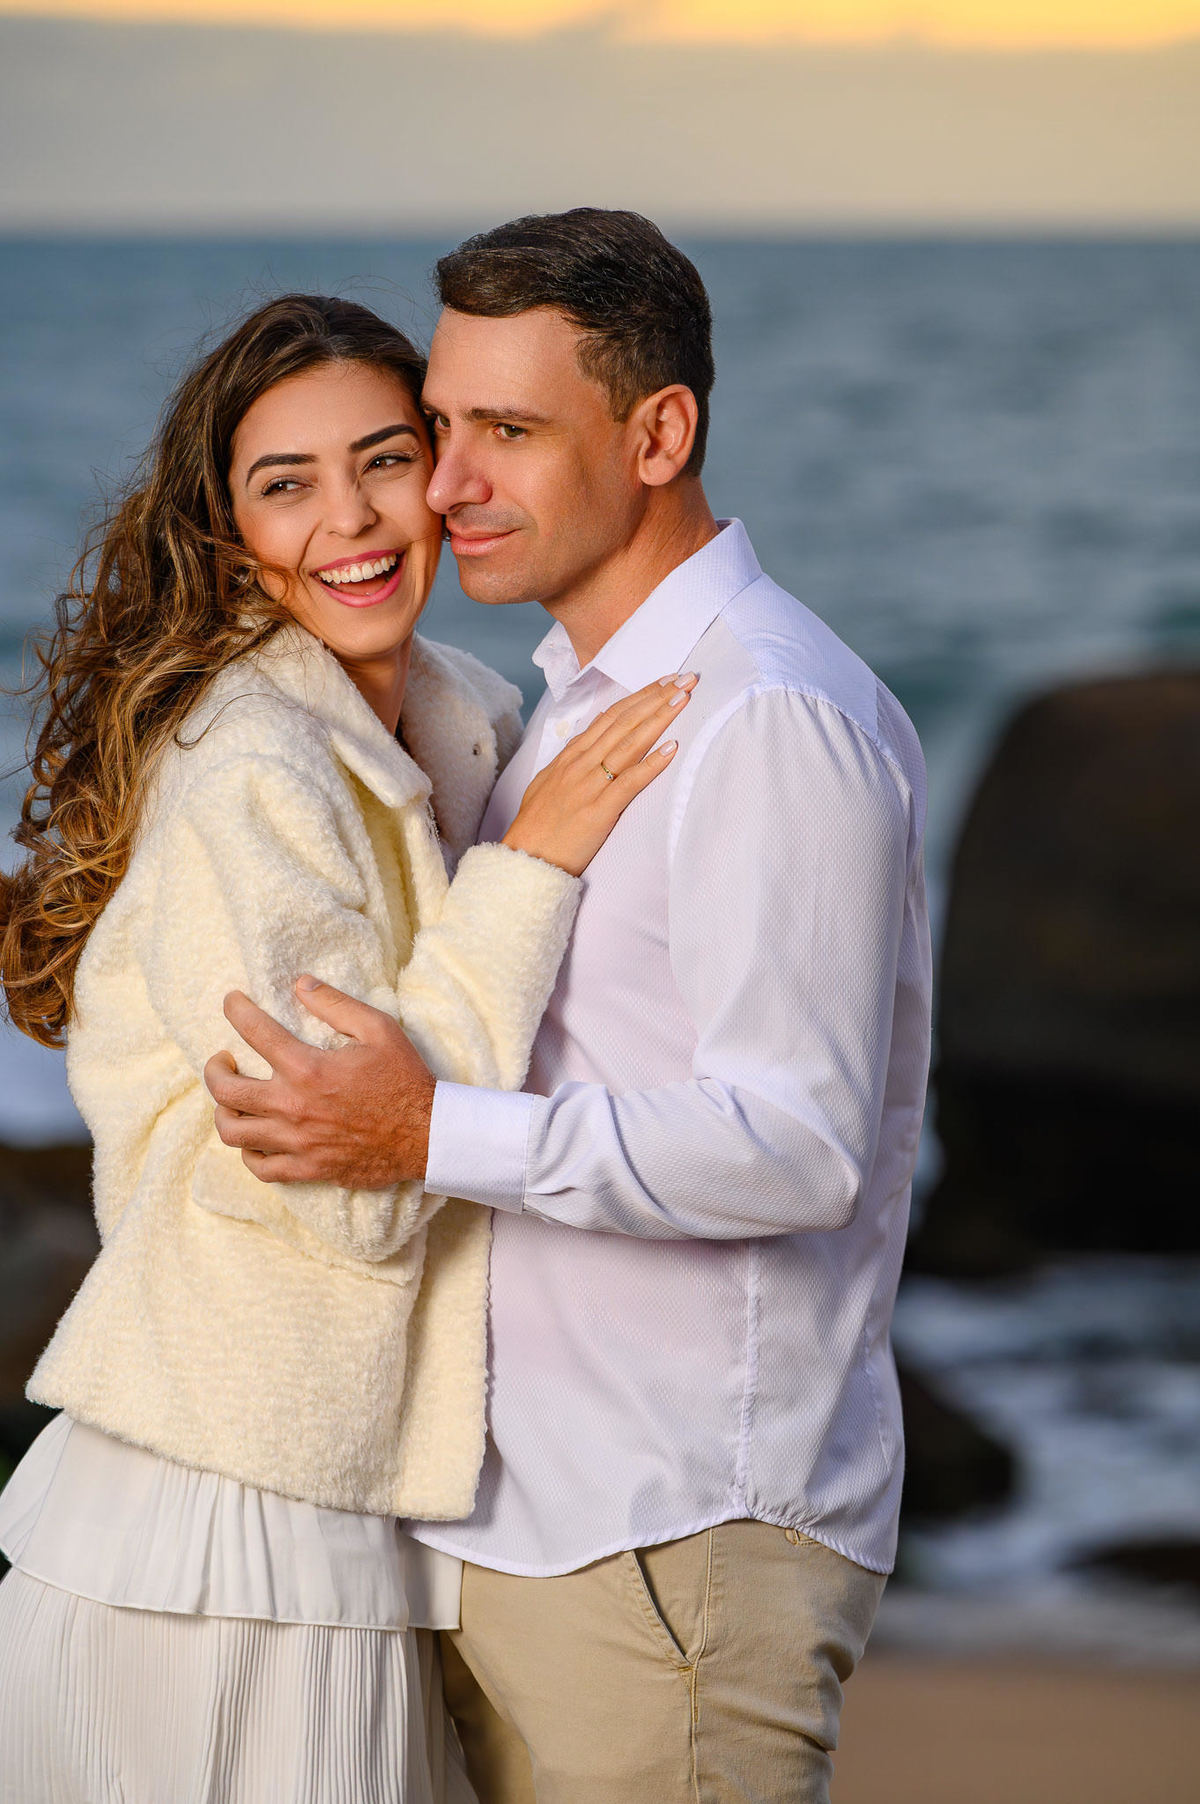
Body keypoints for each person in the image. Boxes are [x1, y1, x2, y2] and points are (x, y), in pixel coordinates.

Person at [206, 210, 933, 1804]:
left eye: (510, 433)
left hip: (674, 1537)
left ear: (659, 432)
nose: (448, 485)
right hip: (536, 1524)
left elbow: (795, 1145)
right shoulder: (564, 706)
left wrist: (426, 1129)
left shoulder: (766, 717)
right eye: (442, 427)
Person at [0, 291, 693, 1804]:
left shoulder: (455, 725)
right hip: (218, 1539)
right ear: (223, 529)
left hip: (330, 1503)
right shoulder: (252, 774)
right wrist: (539, 870)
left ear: (447, 471)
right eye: (286, 484)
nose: (353, 520)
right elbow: (359, 1181)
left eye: (386, 460)